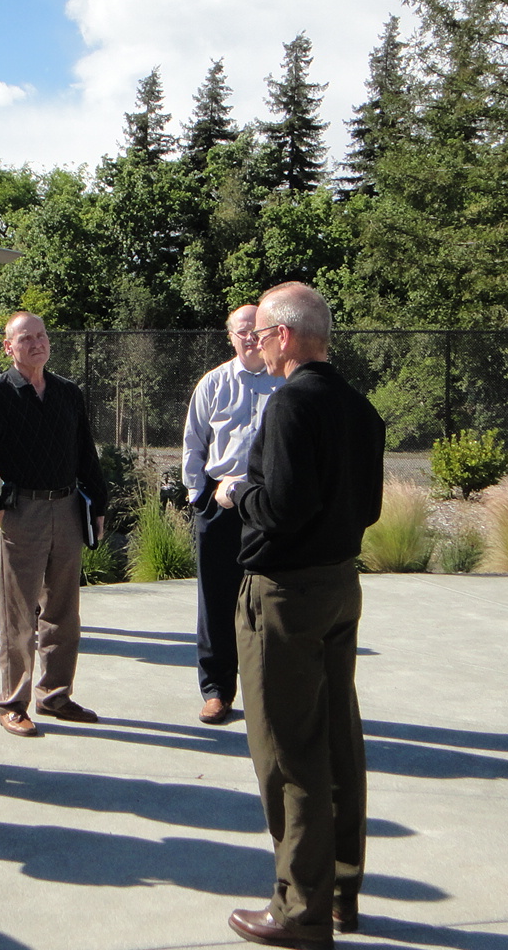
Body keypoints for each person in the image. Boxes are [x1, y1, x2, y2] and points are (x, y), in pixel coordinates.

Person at [213, 282, 383, 949]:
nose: (254, 342)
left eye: (260, 333)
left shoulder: (290, 407)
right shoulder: (359, 410)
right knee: (340, 740)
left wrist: (236, 494)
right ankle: (342, 891)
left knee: (289, 754)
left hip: (283, 596)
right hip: (341, 585)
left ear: (285, 336)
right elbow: (365, 508)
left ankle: (298, 910)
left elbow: (279, 508)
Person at [0, 311, 108, 739]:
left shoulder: (67, 392)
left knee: (64, 612)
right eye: (26, 338)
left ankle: (56, 695)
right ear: (8, 347)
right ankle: (13, 703)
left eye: (42, 335)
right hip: (21, 512)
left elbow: (86, 451)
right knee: (19, 616)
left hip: (66, 509)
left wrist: (97, 504)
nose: (37, 343)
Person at [181, 304, 283, 726]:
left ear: (268, 333)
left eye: (256, 330)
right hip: (220, 504)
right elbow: (194, 440)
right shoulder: (214, 383)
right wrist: (197, 498)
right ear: (230, 336)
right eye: (241, 331)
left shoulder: (284, 383)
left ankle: (271, 694)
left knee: (270, 598)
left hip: (268, 506)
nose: (249, 338)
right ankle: (217, 690)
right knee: (216, 598)